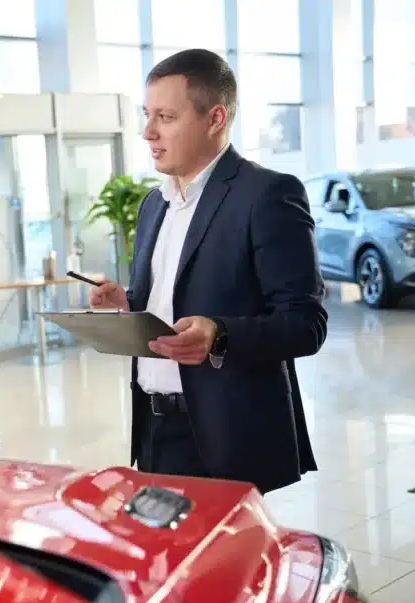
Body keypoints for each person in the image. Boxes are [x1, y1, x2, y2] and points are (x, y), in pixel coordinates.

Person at [89, 49, 327, 494]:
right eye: (147, 115)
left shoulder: (267, 194)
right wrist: (127, 302)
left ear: (215, 118)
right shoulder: (154, 204)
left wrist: (219, 334)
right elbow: (171, 301)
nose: (148, 131)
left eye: (165, 117)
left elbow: (306, 324)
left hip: (225, 436)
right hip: (154, 428)